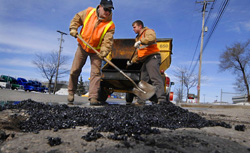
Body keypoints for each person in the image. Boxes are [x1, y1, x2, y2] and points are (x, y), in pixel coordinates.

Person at [67, 0, 115, 105]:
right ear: (100, 7)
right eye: (106, 9)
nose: (107, 12)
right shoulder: (89, 12)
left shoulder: (110, 25)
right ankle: (71, 92)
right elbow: (77, 18)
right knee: (75, 70)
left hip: (97, 52)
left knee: (96, 74)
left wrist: (104, 52)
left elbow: (107, 41)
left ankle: (93, 97)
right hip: (82, 47)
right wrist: (73, 28)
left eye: (110, 10)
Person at [127, 20, 166, 105]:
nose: (133, 29)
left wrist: (141, 41)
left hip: (153, 57)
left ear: (140, 26)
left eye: (134, 27)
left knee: (155, 78)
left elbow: (151, 38)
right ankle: (141, 101)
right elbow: (139, 53)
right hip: (146, 60)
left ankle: (162, 100)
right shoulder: (137, 38)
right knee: (143, 81)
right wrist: (132, 61)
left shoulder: (148, 32)